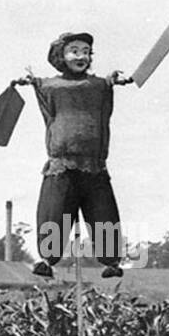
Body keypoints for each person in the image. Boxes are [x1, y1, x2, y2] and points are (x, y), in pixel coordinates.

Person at [13, 31, 132, 278]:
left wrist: (116, 80)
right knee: (53, 213)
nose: (81, 56)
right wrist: (29, 81)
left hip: (94, 166)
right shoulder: (51, 86)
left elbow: (109, 83)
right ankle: (47, 259)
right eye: (75, 51)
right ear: (61, 55)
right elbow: (38, 84)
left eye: (86, 52)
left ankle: (111, 260)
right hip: (62, 166)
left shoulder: (98, 86)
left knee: (104, 214)